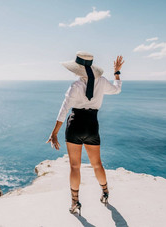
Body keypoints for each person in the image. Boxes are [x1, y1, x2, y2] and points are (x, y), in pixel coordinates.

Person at [46, 51, 124, 216]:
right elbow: (117, 90)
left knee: (75, 166)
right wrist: (116, 72)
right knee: (97, 164)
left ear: (78, 69)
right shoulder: (102, 82)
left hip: (75, 124)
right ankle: (105, 193)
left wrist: (54, 133)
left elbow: (63, 110)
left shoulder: (75, 86)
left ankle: (75, 203)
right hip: (92, 125)